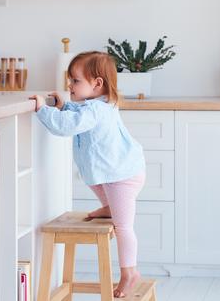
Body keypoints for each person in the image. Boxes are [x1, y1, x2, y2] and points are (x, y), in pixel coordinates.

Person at [30, 51, 145, 298]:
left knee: (124, 226)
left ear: (97, 83)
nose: (69, 85)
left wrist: (43, 109)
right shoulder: (98, 105)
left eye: (75, 80)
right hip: (112, 173)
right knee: (93, 178)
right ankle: (108, 206)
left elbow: (66, 126)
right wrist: (66, 105)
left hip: (123, 175)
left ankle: (129, 271)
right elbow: (79, 114)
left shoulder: (95, 111)